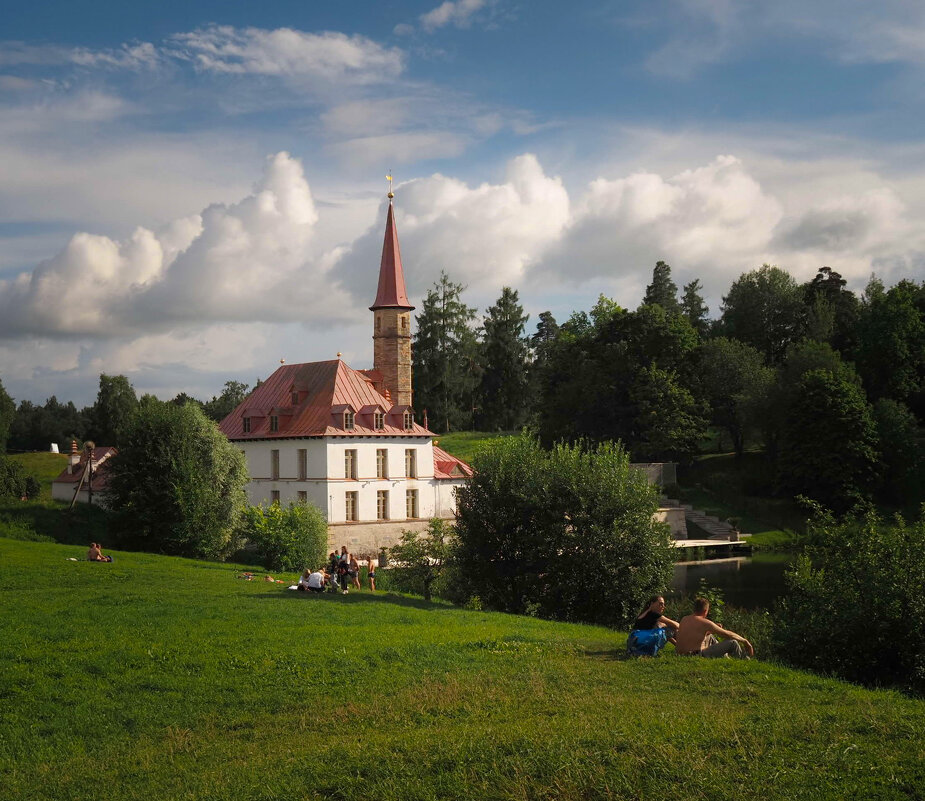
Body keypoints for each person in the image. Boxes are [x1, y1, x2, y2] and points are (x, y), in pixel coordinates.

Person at [675, 597, 754, 659]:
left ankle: (725, 657)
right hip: (696, 655)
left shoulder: (684, 619)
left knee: (710, 636)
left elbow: (693, 634)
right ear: (705, 611)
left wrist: (711, 630)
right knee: (733, 643)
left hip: (681, 654)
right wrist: (745, 641)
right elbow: (728, 634)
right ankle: (741, 661)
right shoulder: (705, 622)